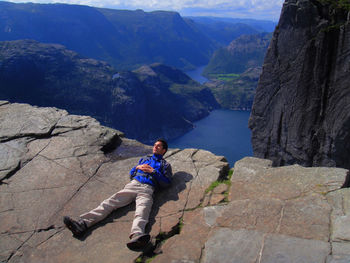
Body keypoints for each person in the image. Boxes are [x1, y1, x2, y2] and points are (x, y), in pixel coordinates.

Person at [63, 139, 172, 250]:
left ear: (164, 150)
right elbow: (131, 174)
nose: (155, 147)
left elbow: (167, 182)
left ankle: (137, 235)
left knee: (142, 211)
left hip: (147, 189)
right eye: (154, 145)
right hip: (134, 184)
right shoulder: (145, 159)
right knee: (110, 202)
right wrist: (136, 168)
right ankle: (83, 224)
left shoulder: (165, 165)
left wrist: (153, 171)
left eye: (158, 146)